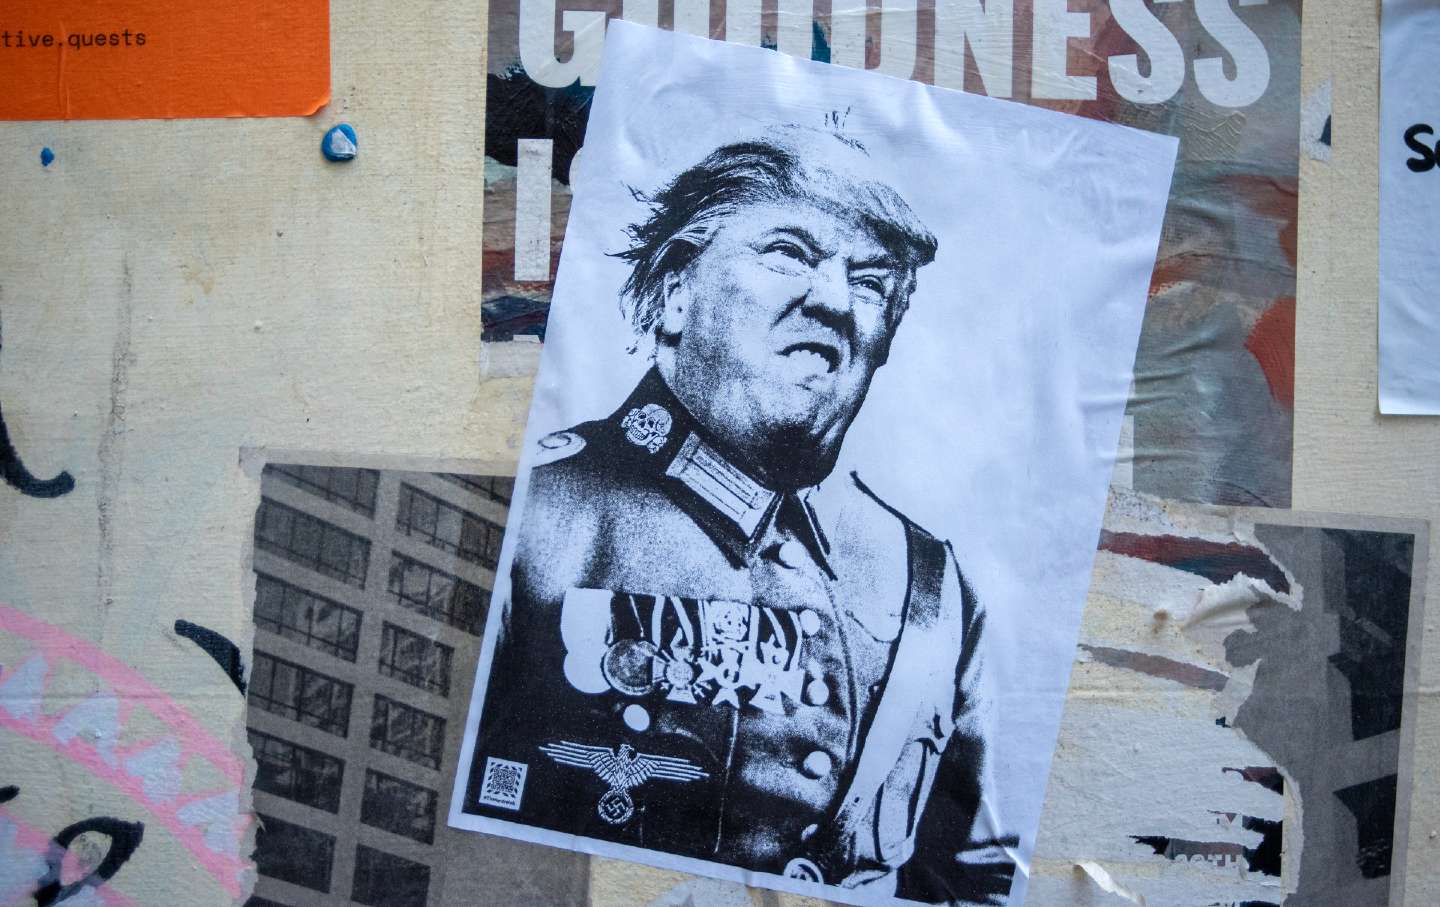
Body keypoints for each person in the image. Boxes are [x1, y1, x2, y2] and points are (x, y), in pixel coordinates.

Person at [463, 126, 1003, 900]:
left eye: (872, 282)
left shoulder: (937, 587)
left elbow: (975, 877)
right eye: (788, 252)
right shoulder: (533, 514)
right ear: (677, 288)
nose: (835, 300)